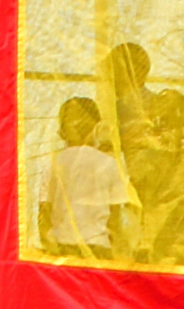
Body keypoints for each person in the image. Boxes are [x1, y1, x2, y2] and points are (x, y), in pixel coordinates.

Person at [40, 96, 129, 257]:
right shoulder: (110, 164)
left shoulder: (54, 164)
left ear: (61, 132)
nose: (78, 125)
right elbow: (115, 219)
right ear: (96, 128)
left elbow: (44, 213)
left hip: (63, 247)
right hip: (99, 247)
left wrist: (50, 246)